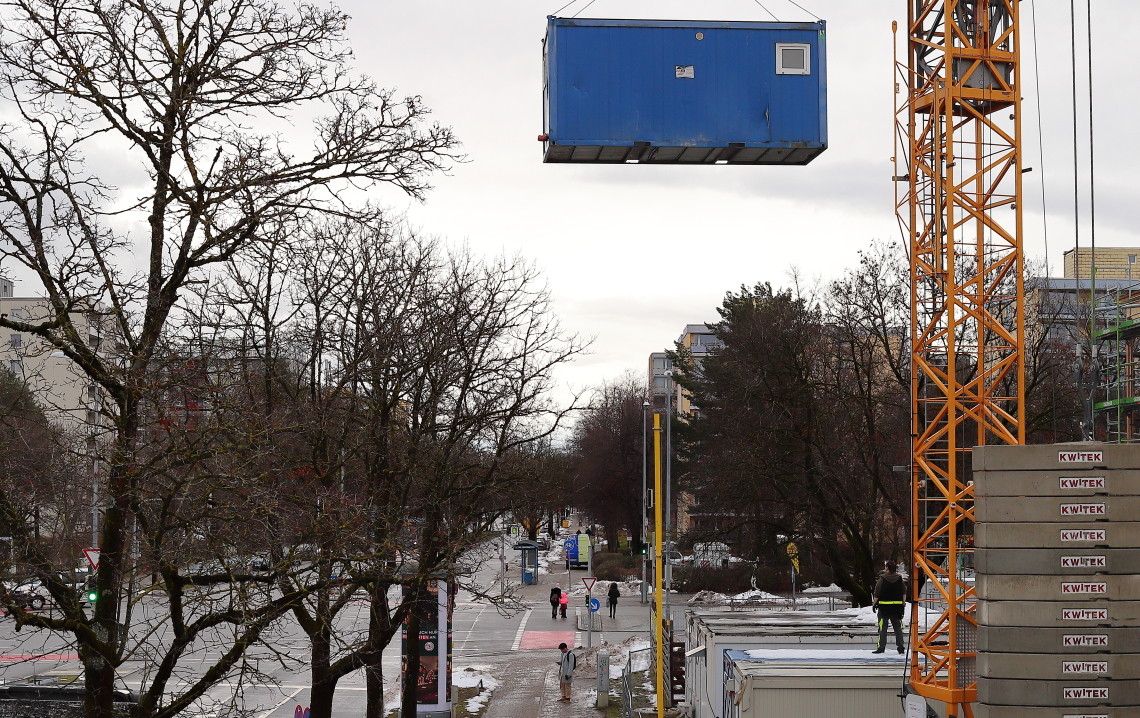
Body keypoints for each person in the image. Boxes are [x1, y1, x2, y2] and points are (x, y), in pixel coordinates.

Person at [872, 560, 907, 654]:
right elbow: (904, 592)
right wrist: (903, 604)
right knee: (898, 628)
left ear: (887, 568)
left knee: (882, 628)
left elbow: (877, 593)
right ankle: (901, 648)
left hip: (884, 608)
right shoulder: (899, 579)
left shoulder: (882, 579)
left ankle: (881, 648)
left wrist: (874, 603)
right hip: (897, 608)